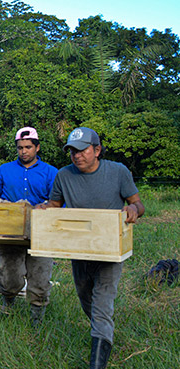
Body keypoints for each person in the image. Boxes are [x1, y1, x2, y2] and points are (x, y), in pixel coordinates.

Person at [37, 127, 144, 369]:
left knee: (102, 302)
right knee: (86, 297)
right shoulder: (64, 175)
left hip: (109, 249)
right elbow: (54, 204)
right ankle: (101, 326)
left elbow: (137, 203)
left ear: (97, 150)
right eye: (72, 151)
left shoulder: (117, 172)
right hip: (79, 249)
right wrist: (45, 209)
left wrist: (133, 210)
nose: (76, 155)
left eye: (82, 150)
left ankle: (97, 362)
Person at [0, 126, 58, 325]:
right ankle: (8, 305)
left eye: (28, 147)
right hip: (10, 230)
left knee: (39, 276)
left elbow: (59, 201)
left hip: (40, 232)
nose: (24, 151)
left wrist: (46, 207)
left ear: (37, 148)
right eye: (20, 147)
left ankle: (36, 317)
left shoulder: (50, 172)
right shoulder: (5, 169)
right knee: (9, 275)